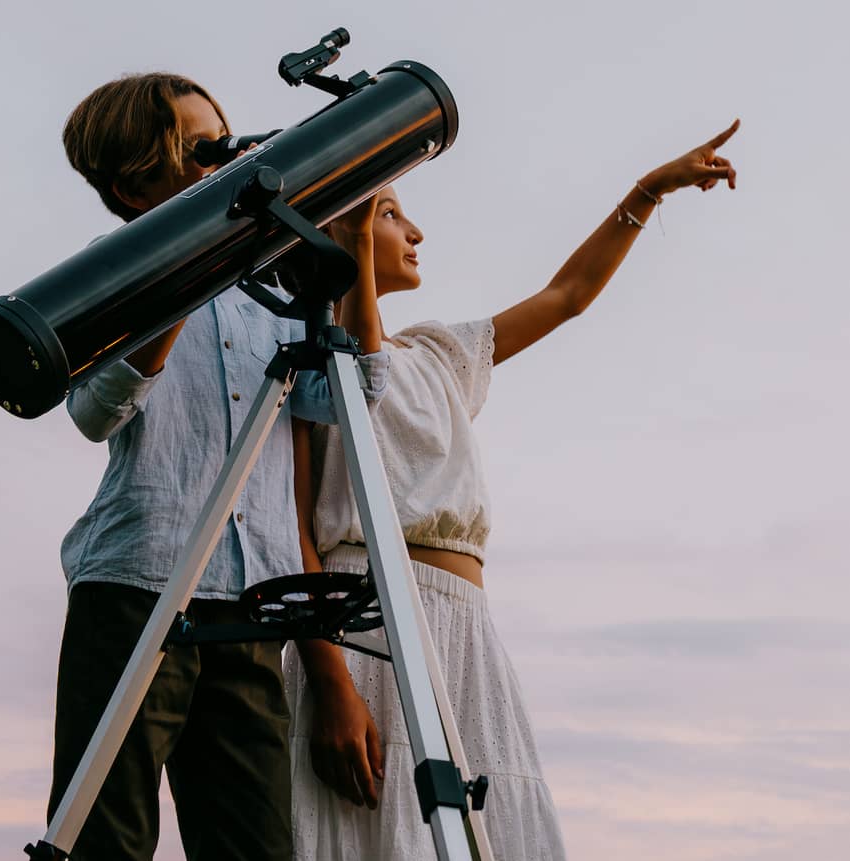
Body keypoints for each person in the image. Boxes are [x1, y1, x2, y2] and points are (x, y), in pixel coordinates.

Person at [285, 120, 742, 859]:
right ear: (341, 225)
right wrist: (331, 682)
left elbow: (567, 294)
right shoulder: (308, 374)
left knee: (493, 831)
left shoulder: (439, 354)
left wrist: (648, 189)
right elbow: (297, 529)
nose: (415, 230)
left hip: (465, 623)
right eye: (391, 212)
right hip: (363, 619)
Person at [47, 72, 390, 861]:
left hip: (251, 606)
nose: (225, 161)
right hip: (139, 585)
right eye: (202, 151)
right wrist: (182, 265)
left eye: (225, 142)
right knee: (108, 833)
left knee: (253, 842)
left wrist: (356, 249)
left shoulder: (269, 284)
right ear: (136, 183)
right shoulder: (112, 267)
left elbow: (354, 397)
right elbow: (96, 411)